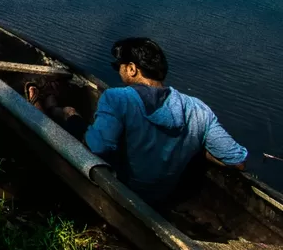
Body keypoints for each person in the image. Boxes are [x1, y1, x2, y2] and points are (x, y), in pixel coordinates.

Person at [29, 37, 249, 204]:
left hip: (127, 189)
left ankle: (47, 107)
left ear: (132, 68)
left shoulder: (117, 98)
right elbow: (236, 161)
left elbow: (96, 147)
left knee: (68, 113)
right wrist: (194, 144)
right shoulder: (198, 109)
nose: (119, 72)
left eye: (119, 67)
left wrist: (73, 117)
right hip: (164, 193)